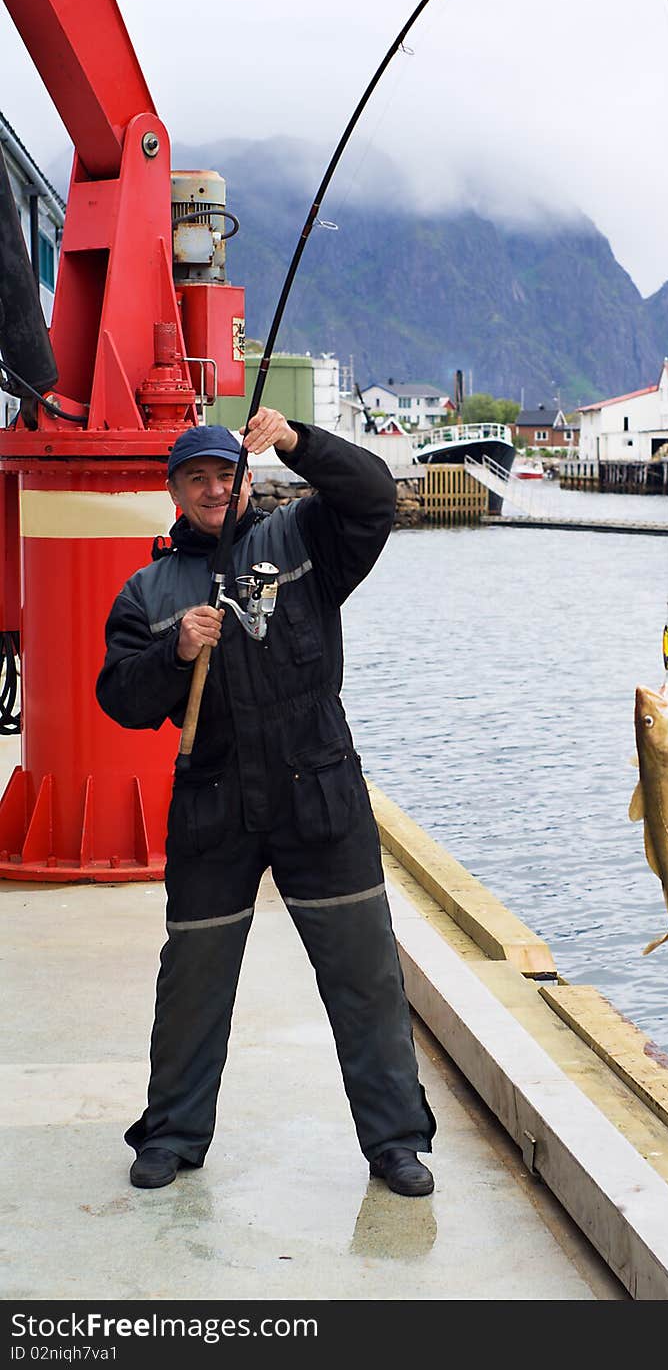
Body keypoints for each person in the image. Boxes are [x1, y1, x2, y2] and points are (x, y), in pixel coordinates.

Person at [96, 408, 436, 1195]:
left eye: (226, 473)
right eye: (197, 479)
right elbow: (119, 695)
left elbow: (375, 496)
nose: (215, 488)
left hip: (320, 793)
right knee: (194, 977)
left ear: (247, 476)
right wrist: (175, 649)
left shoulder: (308, 537)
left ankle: (395, 1142)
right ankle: (172, 1135)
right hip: (213, 807)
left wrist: (296, 441)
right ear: (175, 491)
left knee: (366, 976)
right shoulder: (149, 589)